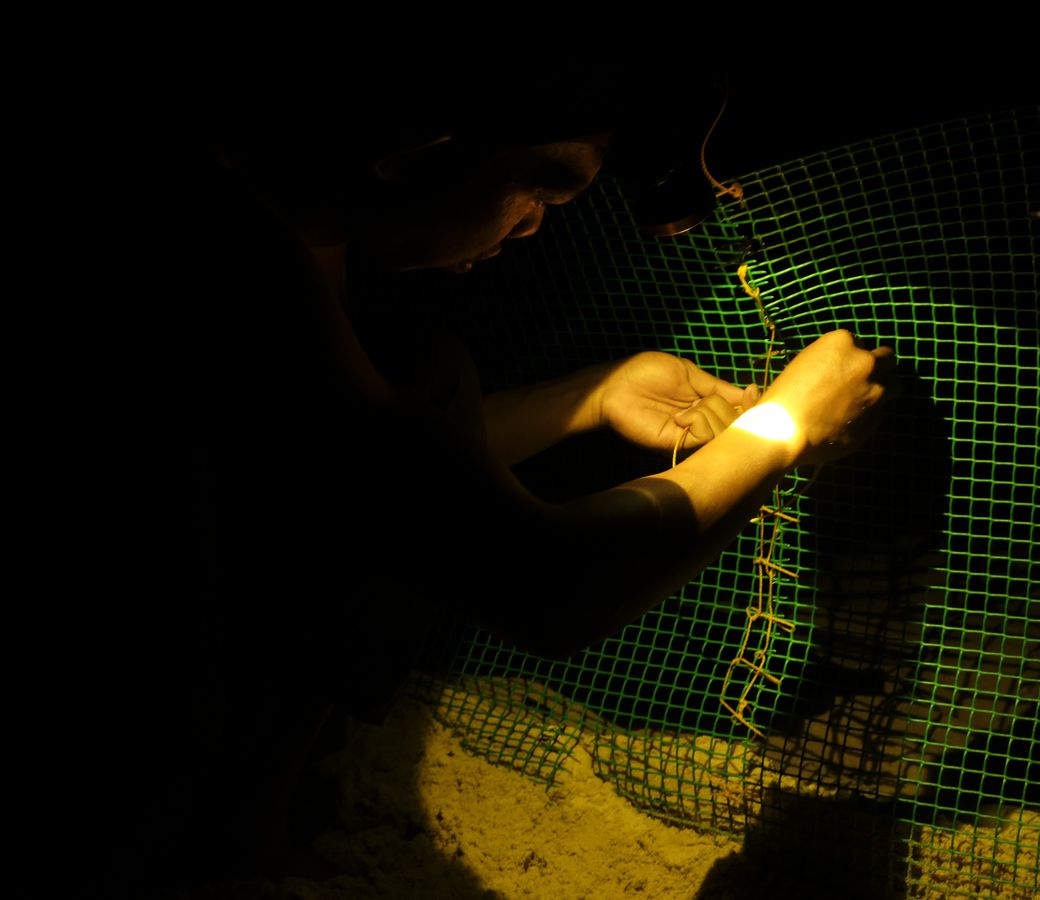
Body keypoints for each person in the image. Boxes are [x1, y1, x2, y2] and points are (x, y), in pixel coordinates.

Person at [85, 62, 896, 895]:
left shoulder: (297, 231)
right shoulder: (221, 251)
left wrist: (587, 398)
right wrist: (785, 425)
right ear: (414, 146)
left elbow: (372, 478)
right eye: (538, 191)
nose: (534, 228)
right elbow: (539, 577)